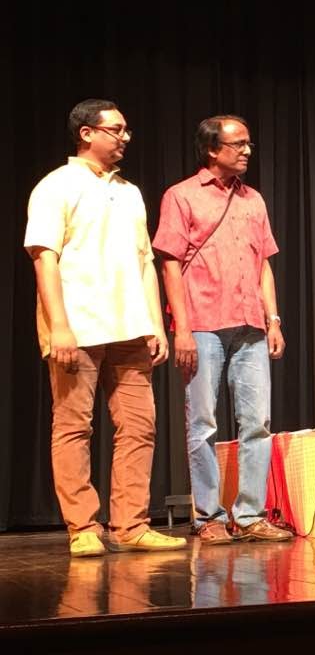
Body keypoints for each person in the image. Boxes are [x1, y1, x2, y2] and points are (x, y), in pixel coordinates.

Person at [24, 99, 186, 556]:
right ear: (86, 133)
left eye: (126, 130)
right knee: (73, 427)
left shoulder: (129, 192)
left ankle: (131, 524)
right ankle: (83, 527)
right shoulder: (56, 186)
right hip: (77, 326)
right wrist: (59, 326)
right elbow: (44, 258)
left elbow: (145, 262)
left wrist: (155, 324)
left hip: (130, 327)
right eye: (116, 129)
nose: (125, 137)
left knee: (139, 426)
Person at [153, 115, 292, 544]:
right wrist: (181, 328)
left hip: (251, 323)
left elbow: (263, 264)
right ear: (213, 150)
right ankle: (208, 517)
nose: (247, 151)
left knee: (257, 423)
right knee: (203, 424)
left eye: (249, 144)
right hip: (203, 324)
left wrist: (273, 319)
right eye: (238, 144)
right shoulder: (181, 196)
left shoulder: (254, 200)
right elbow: (169, 264)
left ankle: (249, 516)